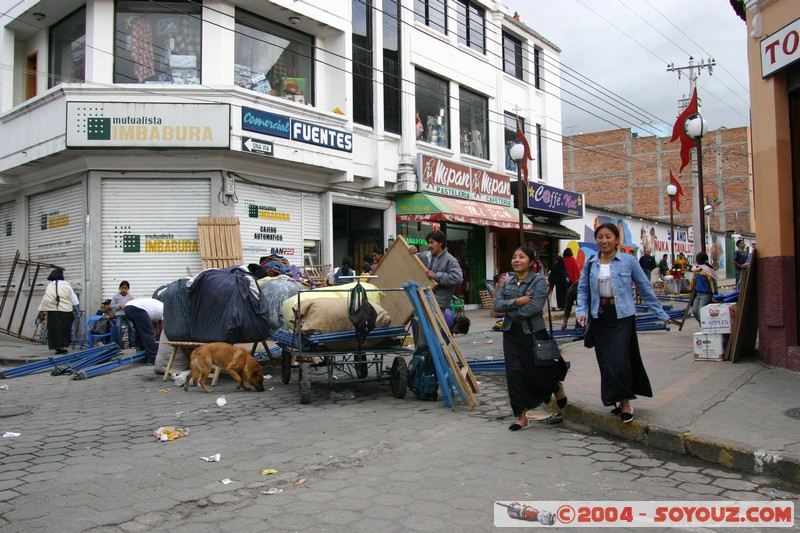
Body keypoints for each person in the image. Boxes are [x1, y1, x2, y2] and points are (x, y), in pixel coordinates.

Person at [576, 223, 678, 423]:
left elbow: (645, 288)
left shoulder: (629, 261)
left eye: (608, 237)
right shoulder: (590, 263)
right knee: (606, 363)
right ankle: (619, 401)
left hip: (622, 317)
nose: (604, 240)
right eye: (600, 237)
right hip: (600, 318)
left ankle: (626, 403)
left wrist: (661, 313)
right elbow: (583, 289)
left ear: (616, 240)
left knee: (619, 360)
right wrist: (581, 311)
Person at [493, 247, 568, 431]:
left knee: (539, 373)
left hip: (533, 333)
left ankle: (555, 387)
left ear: (531, 261)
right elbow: (496, 305)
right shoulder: (508, 283)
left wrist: (512, 313)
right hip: (511, 334)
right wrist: (516, 302)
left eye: (521, 257)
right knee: (514, 374)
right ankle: (521, 416)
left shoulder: (538, 281)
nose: (516, 260)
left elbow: (535, 306)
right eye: (514, 256)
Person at [408, 231, 463, 312]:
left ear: (441, 242)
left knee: (436, 325)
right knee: (420, 324)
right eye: (428, 243)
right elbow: (410, 258)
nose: (429, 246)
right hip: (422, 301)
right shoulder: (425, 256)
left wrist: (436, 276)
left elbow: (457, 279)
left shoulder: (450, 260)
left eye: (432, 243)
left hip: (438, 305)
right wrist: (410, 249)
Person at [37, 268, 79, 355]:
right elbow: (75, 300)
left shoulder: (50, 286)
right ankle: (63, 346)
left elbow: (45, 299)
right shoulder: (67, 286)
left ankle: (57, 346)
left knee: (55, 329)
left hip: (53, 312)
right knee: (65, 329)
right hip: (66, 311)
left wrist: (41, 310)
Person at [123, 297, 164, 364]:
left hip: (128, 308)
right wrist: (161, 341)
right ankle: (152, 358)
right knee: (148, 333)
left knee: (140, 332)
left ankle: (141, 351)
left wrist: (157, 339)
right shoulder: (165, 311)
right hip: (138, 308)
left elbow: (156, 327)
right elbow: (162, 329)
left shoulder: (156, 311)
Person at [690, 252, 718, 325]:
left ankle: (705, 326)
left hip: (706, 294)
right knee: (694, 311)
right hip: (697, 294)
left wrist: (714, 293)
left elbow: (712, 283)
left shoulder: (707, 270)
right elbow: (693, 281)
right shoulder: (696, 270)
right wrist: (691, 290)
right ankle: (703, 324)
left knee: (701, 312)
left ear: (699, 260)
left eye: (697, 259)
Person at [111, 281, 136, 349]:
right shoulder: (116, 296)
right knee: (118, 326)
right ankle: (119, 343)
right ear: (120, 288)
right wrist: (119, 306)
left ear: (128, 289)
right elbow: (111, 306)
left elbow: (134, 304)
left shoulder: (130, 296)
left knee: (131, 326)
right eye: (123, 288)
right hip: (119, 314)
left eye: (126, 288)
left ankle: (132, 343)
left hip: (127, 314)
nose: (124, 290)